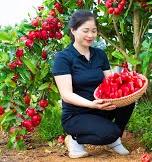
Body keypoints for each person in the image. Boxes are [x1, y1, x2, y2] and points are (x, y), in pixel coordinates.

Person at [52, 10, 135, 158]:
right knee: (110, 133)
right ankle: (75, 139)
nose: (90, 35)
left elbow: (110, 83)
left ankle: (114, 138)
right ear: (73, 30)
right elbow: (66, 95)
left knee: (128, 101)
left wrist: (130, 84)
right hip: (76, 115)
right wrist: (92, 104)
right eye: (85, 31)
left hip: (101, 107)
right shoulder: (63, 58)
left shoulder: (99, 54)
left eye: (94, 31)